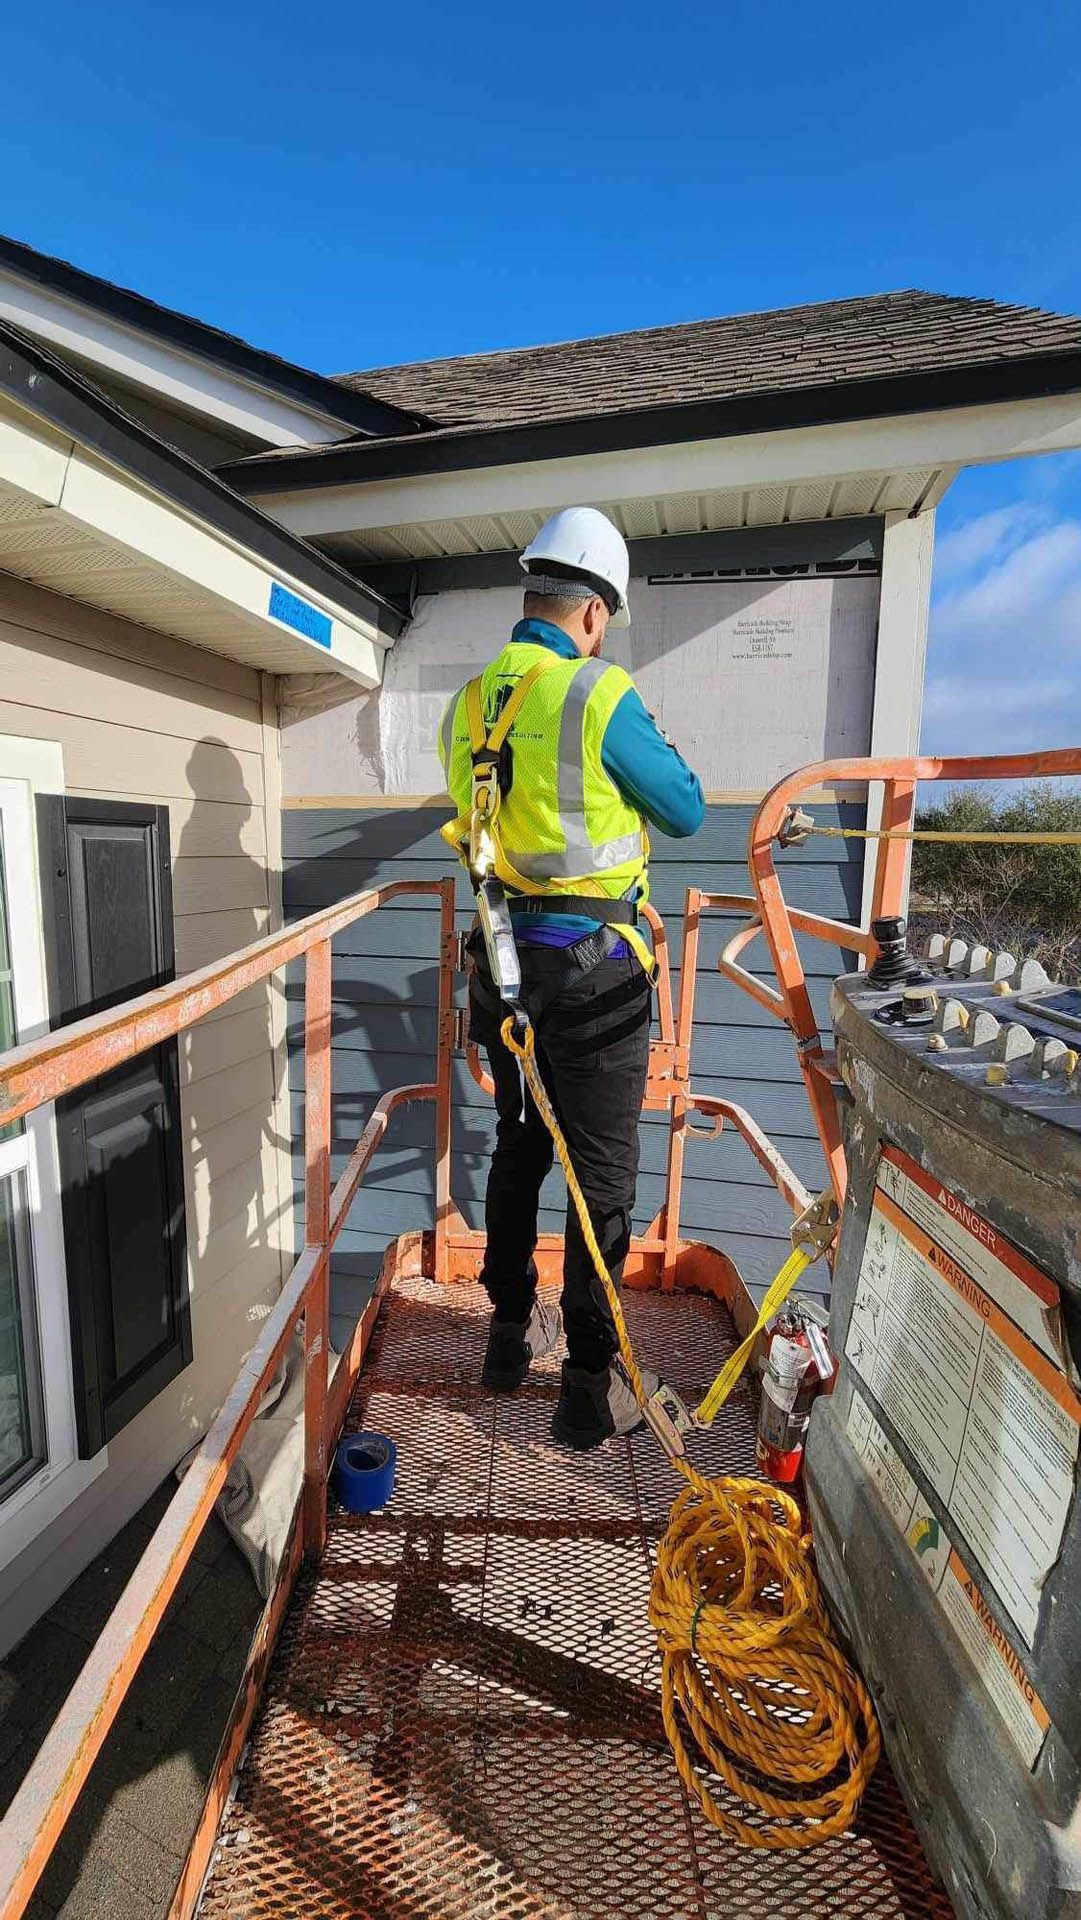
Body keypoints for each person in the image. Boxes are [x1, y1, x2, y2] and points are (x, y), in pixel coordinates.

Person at [439, 507, 704, 1450]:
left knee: (518, 1145)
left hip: (502, 971)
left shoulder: (467, 703)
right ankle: (588, 1388)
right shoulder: (597, 691)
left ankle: (506, 1335)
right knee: (600, 1180)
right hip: (596, 979)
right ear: (593, 611)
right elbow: (684, 809)